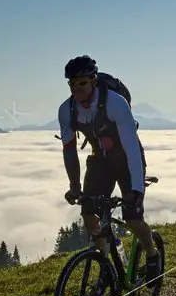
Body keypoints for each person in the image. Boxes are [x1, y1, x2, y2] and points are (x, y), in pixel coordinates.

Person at [58, 55, 161, 283]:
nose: (76, 88)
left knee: (133, 219)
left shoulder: (115, 103)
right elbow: (69, 151)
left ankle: (152, 253)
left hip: (126, 157)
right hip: (99, 159)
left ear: (94, 81)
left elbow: (132, 148)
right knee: (88, 212)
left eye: (82, 82)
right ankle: (104, 262)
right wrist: (75, 187)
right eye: (72, 84)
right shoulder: (67, 110)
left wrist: (135, 189)